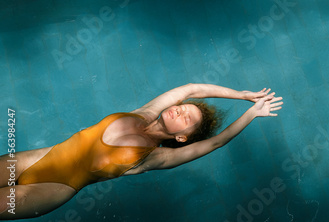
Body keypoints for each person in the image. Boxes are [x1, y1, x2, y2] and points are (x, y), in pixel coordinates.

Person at [0, 84, 283, 220]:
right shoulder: (144, 112)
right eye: (184, 107)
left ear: (182, 137)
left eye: (186, 118)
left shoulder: (155, 157)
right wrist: (242, 95)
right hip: (35, 158)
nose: (180, 109)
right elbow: (194, 88)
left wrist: (251, 113)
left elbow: (216, 142)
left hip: (55, 188)